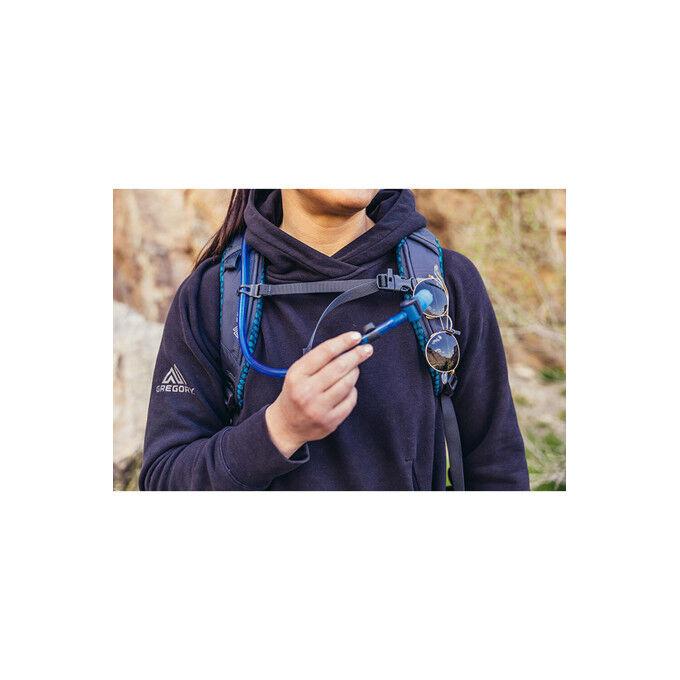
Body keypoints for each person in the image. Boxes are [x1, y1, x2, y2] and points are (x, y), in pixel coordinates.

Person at [140, 189, 529, 490]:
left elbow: (499, 470)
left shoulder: (445, 283)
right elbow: (163, 479)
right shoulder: (212, 296)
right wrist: (280, 429)